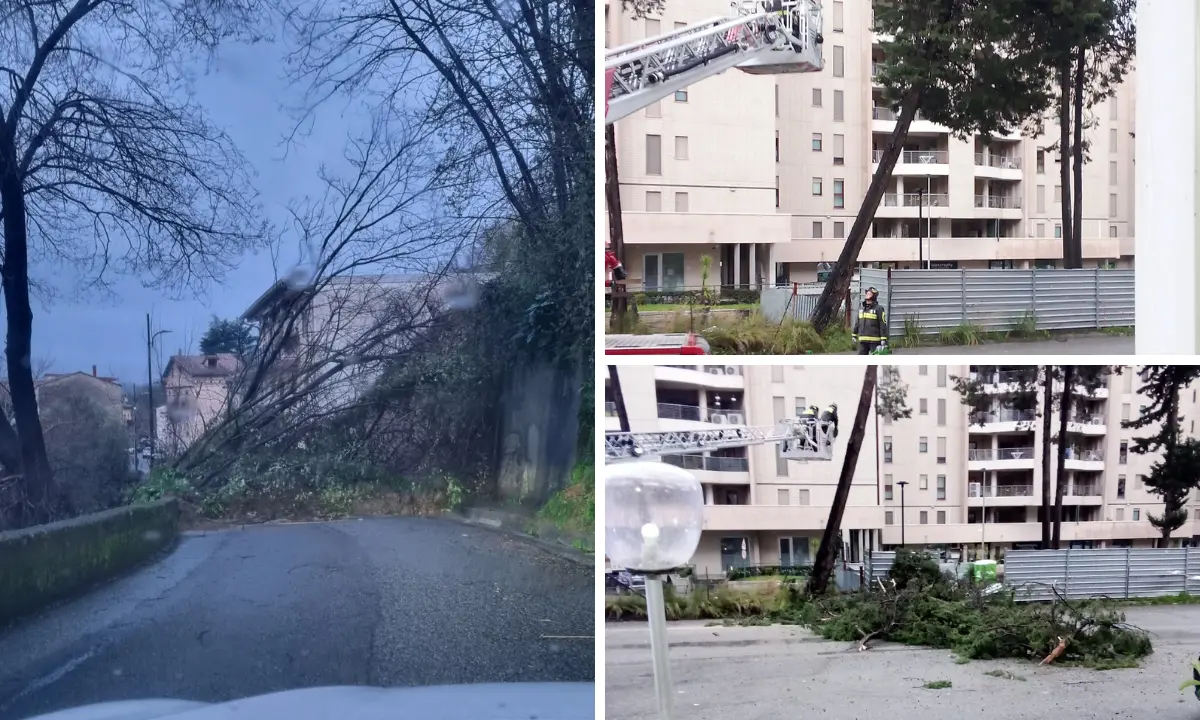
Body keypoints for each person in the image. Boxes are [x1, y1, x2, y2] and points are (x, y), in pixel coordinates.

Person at [852, 287, 888, 355]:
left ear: (874, 296)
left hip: (874, 341)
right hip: (863, 340)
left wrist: (883, 339)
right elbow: (857, 323)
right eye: (867, 293)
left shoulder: (879, 308)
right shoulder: (861, 309)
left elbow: (882, 324)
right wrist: (854, 335)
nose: (867, 294)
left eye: (869, 293)